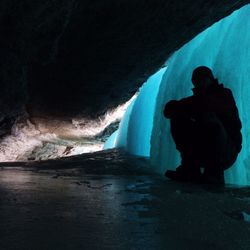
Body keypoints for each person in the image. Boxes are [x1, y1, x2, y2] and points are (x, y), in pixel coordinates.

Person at [163, 66, 242, 184]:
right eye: (197, 81)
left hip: (226, 153)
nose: (201, 83)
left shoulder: (225, 94)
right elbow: (169, 111)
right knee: (178, 117)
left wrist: (181, 106)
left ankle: (214, 174)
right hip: (202, 152)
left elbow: (209, 104)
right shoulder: (195, 101)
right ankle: (190, 169)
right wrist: (177, 108)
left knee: (209, 118)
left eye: (204, 79)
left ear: (211, 79)